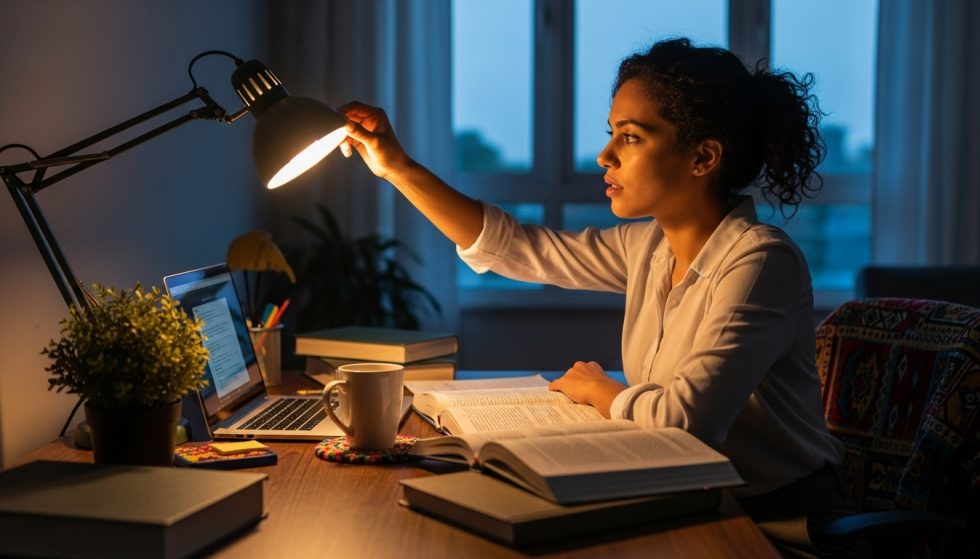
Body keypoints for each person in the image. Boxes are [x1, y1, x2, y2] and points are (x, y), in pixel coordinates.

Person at [337, 37, 861, 558]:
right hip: (689, 498)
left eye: (630, 138)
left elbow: (687, 425)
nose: (604, 155)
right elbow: (518, 248)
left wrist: (600, 390)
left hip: (781, 523)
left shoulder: (761, 262)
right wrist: (396, 167)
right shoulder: (649, 245)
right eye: (612, 133)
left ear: (703, 157)